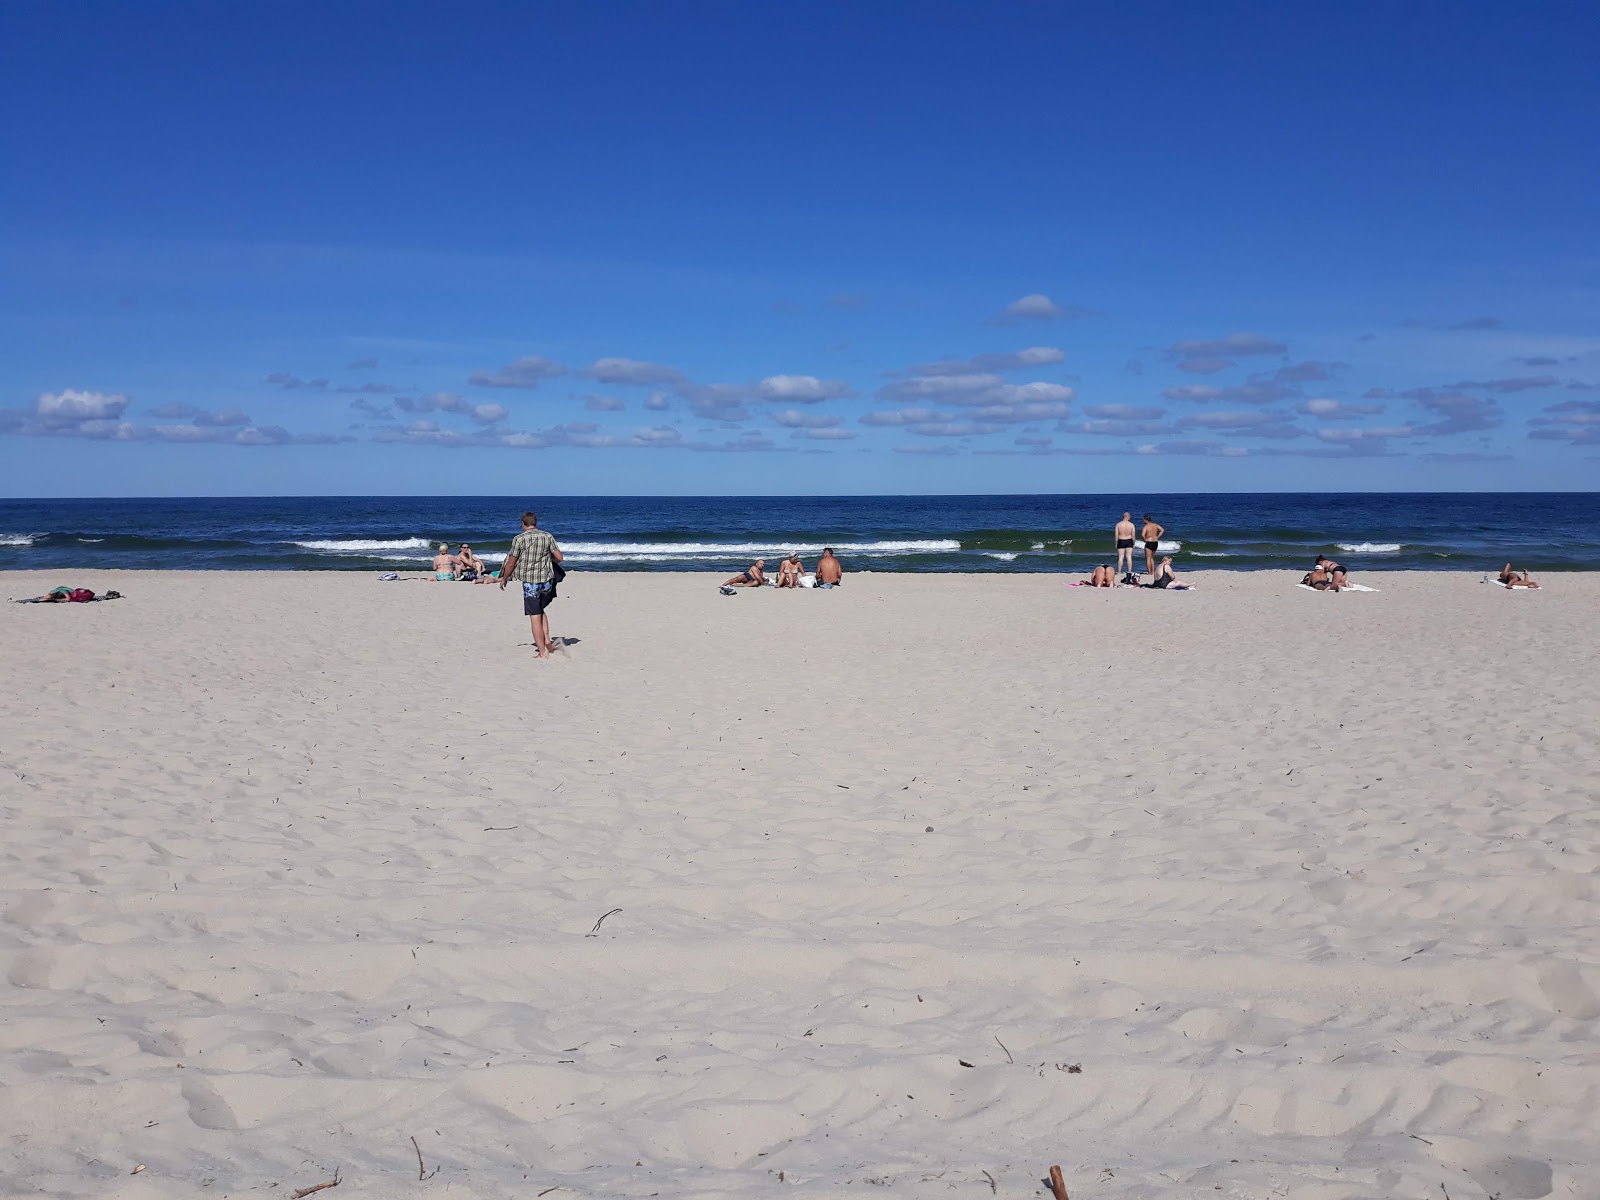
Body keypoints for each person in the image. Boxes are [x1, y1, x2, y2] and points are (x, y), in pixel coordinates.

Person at [498, 511, 564, 658]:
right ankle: (547, 639)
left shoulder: (519, 539)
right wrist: (549, 561)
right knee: (540, 609)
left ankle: (542, 653)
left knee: (534, 616)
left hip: (531, 583)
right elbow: (559, 557)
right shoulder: (547, 536)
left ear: (523, 523)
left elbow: (511, 563)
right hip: (547, 581)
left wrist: (504, 578)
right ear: (535, 523)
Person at [1114, 512, 1136, 577]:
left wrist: (1116, 543)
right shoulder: (1131, 525)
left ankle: (1119, 571)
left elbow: (1116, 535)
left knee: (1121, 557)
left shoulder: (1118, 524)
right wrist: (1134, 543)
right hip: (1129, 540)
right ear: (1128, 516)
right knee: (1129, 557)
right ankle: (1129, 571)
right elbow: (1133, 535)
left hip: (1121, 540)